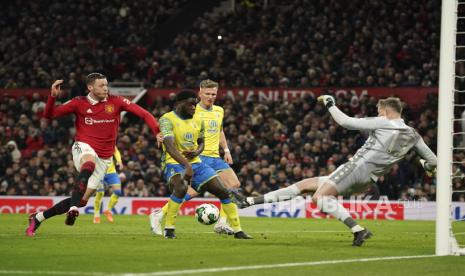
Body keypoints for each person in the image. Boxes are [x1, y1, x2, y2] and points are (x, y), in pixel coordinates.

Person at [233, 96, 437, 246]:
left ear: (386, 111)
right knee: (304, 186)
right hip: (368, 179)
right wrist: (427, 166)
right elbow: (433, 161)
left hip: (356, 167)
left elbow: (346, 122)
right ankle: (248, 202)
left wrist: (330, 103)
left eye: (378, 110)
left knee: (319, 198)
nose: (377, 113)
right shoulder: (413, 134)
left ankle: (358, 230)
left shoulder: (385, 122)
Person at [25, 73, 160, 236]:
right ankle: (73, 209)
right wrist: (53, 97)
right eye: (101, 85)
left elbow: (144, 114)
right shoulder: (78, 103)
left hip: (105, 158)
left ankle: (38, 218)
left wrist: (157, 132)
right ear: (90, 87)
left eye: (106, 84)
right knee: (89, 164)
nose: (105, 88)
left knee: (82, 200)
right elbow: (49, 115)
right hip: (83, 146)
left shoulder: (116, 101)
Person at [151, 89, 251, 239]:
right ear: (179, 104)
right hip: (173, 163)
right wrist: (187, 166)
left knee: (223, 191)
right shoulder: (166, 119)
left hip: (197, 162)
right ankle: (169, 229)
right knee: (181, 188)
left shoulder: (198, 119)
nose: (194, 107)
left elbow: (201, 142)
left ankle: (238, 231)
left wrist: (197, 152)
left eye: (195, 104)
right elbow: (170, 147)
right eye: (191, 105)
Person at [93, 146, 123, 224]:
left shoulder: (110, 140)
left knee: (118, 192)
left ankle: (108, 211)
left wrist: (119, 161)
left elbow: (116, 151)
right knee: (100, 193)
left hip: (111, 172)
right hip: (99, 172)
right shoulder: (94, 142)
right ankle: (96, 215)